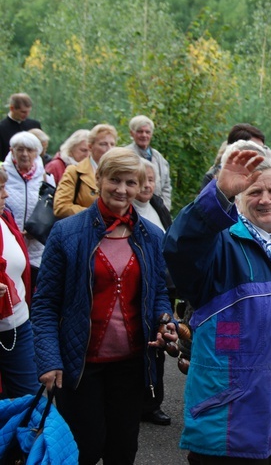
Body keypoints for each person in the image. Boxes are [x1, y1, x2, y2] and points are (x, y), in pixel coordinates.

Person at [163, 145, 271, 463]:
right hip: (233, 415)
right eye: (254, 191)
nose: (265, 199)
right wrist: (218, 193)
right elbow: (179, 250)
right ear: (240, 198)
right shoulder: (221, 244)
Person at [32, 148, 176, 465]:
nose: (122, 190)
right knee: (84, 449)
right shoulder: (67, 232)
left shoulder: (150, 235)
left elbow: (158, 294)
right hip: (79, 365)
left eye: (130, 182)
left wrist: (165, 320)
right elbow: (44, 304)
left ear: (140, 187)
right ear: (99, 179)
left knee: (122, 450)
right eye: (114, 180)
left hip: (131, 366)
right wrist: (48, 359)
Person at [132, 159, 173, 426]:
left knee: (156, 348)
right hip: (136, 291)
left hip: (160, 286)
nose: (147, 185)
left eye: (152, 179)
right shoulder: (127, 211)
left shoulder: (157, 205)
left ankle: (152, 403)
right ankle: (133, 403)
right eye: (142, 179)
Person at [0, 166, 37, 397]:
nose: (6, 194)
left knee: (30, 401)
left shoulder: (6, 218)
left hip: (19, 326)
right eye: (1, 188)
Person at [3, 131, 55, 286]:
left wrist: (39, 230)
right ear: (12, 151)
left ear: (37, 153)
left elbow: (53, 211)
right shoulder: (3, 175)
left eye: (30, 150)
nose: (25, 154)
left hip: (37, 250)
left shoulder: (47, 177)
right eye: (20, 149)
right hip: (8, 246)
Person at [54, 124, 117, 218]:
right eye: (103, 144)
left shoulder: (118, 172)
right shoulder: (74, 172)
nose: (109, 149)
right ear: (90, 147)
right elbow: (61, 207)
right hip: (85, 228)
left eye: (112, 144)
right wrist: (96, 213)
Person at [201, 123, 271, 189]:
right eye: (254, 149)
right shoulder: (213, 177)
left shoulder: (269, 174)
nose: (259, 154)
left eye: (262, 149)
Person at [125, 115, 172, 211]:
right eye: (140, 131)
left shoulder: (158, 157)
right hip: (132, 208)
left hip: (157, 208)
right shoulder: (125, 155)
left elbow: (166, 185)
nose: (144, 135)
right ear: (132, 133)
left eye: (147, 132)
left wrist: (164, 207)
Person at [0, 93, 42, 160]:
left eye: (28, 111)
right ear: (12, 108)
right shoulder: (2, 128)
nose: (27, 114)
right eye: (23, 112)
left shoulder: (34, 125)